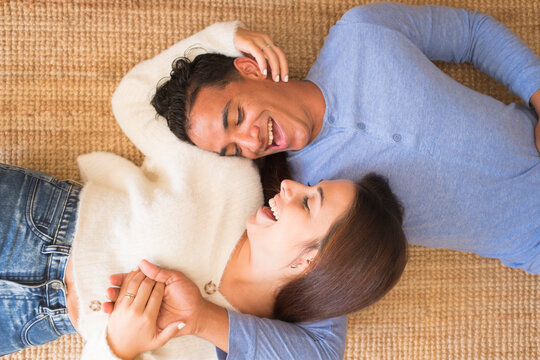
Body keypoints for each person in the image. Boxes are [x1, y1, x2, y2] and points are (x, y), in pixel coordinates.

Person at [111, 2, 539, 360]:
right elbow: (320, 350)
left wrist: (226, 36)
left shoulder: (362, 32)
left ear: (251, 70)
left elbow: (472, 33)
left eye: (237, 115)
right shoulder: (307, 213)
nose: (251, 141)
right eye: (232, 149)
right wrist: (200, 318)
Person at [0, 27, 407, 359]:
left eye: (307, 200)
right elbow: (136, 100)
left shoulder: (221, 346)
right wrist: (225, 40)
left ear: (309, 261)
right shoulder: (230, 172)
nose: (289, 183)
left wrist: (118, 346)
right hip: (35, 220)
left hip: (29, 319)